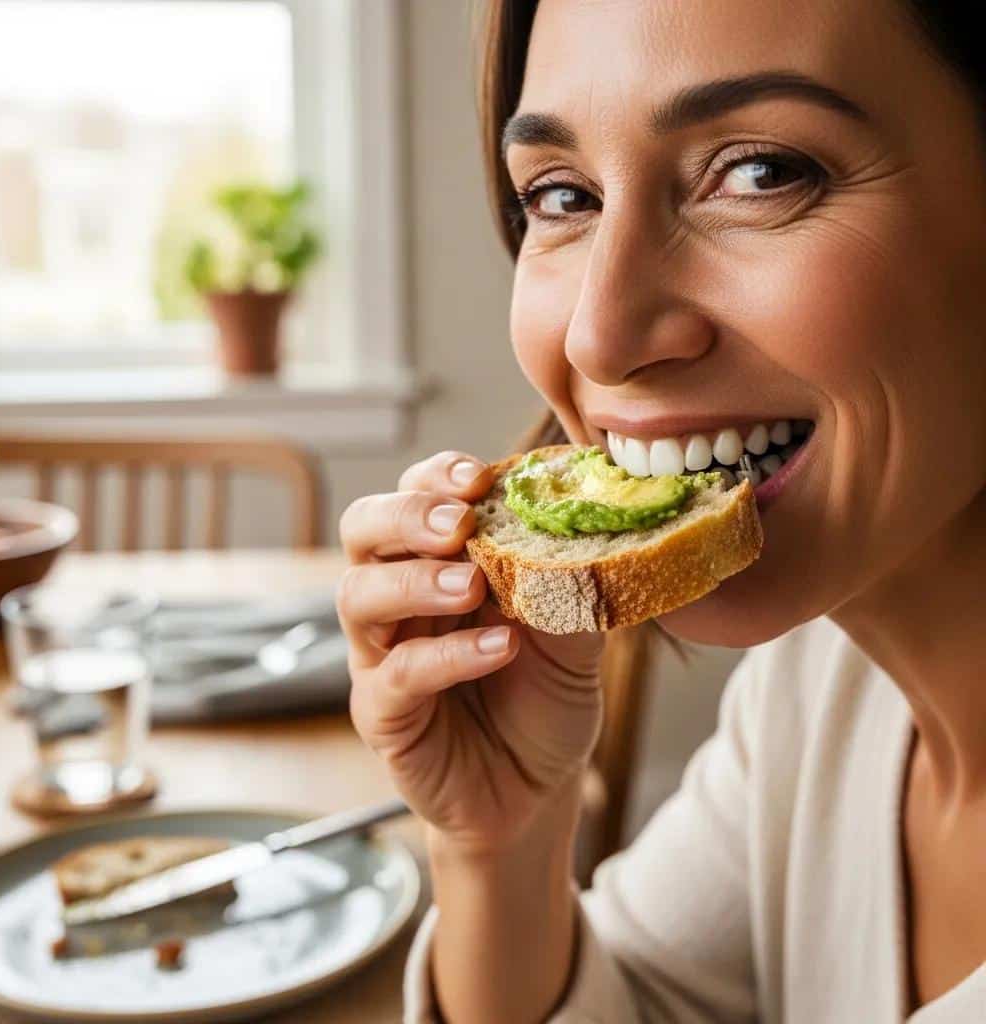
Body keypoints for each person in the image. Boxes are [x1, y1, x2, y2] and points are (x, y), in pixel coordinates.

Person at [336, 1, 986, 1020]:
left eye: (763, 171)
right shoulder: (818, 686)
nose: (599, 335)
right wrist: (500, 843)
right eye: (561, 195)